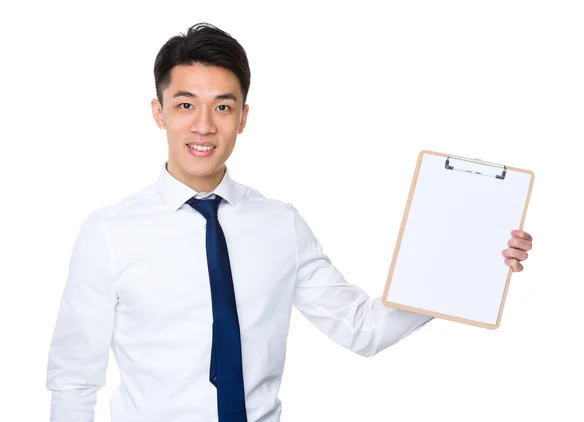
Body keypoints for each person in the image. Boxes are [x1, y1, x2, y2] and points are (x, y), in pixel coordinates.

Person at [45, 22, 534, 422]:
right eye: (185, 104)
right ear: (160, 113)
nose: (203, 125)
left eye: (223, 107)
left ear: (243, 117)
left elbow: (362, 329)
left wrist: (470, 261)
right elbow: (74, 380)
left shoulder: (279, 225)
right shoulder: (109, 233)